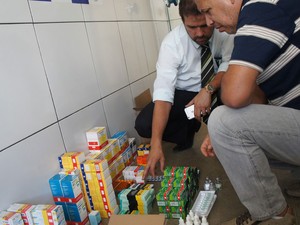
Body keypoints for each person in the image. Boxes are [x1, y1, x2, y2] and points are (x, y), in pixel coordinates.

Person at [194, 0, 300, 224]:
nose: (209, 23)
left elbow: (233, 94)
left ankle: (276, 216)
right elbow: (258, 96)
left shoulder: (259, 8)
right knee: (229, 135)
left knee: (222, 121)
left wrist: (222, 131)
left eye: (208, 12)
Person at [134, 0, 234, 178]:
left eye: (204, 25)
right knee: (144, 124)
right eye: (192, 27)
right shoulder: (172, 44)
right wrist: (155, 144)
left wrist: (208, 90)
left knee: (231, 95)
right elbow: (164, 94)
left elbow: (229, 66)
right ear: (182, 21)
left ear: (211, 17)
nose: (200, 33)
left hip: (217, 88)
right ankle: (189, 127)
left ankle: (220, 136)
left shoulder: (224, 31)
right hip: (186, 96)